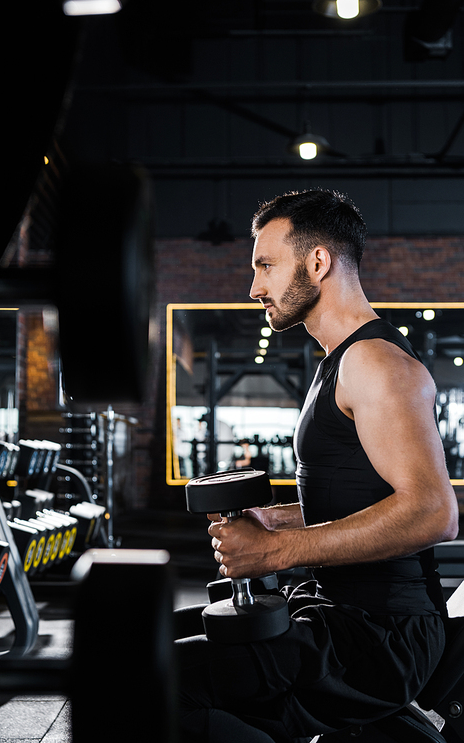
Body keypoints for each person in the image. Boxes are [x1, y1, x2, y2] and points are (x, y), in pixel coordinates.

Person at [175, 189, 459, 743]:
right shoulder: (341, 360)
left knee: (157, 685)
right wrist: (277, 520)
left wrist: (276, 551)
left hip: (381, 637)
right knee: (161, 646)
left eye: (265, 265)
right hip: (341, 614)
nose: (254, 287)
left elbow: (432, 513)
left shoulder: (375, 362)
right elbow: (359, 497)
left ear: (318, 261)